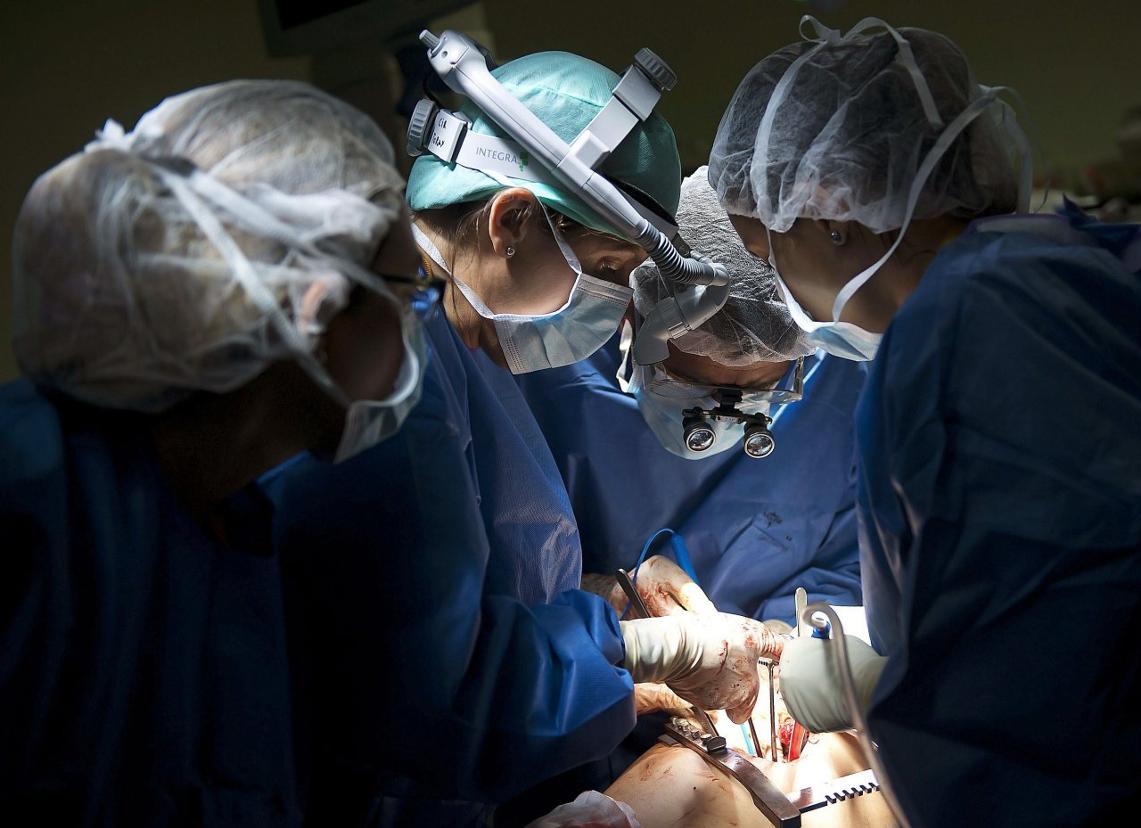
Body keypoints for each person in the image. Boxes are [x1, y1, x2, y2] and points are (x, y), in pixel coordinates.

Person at [709, 16, 1141, 827]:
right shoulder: (1132, 262)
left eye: (766, 250)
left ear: (829, 213)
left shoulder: (957, 330)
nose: (776, 285)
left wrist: (881, 686)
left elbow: (1035, 671)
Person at [266, 50, 782, 826]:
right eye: (608, 267)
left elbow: (463, 596)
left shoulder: (458, 352)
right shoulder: (393, 370)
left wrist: (608, 603)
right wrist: (648, 653)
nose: (614, 305)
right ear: (510, 221)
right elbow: (432, 687)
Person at [0, 80, 424, 825]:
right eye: (405, 292)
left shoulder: (229, 526)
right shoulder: (28, 498)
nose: (415, 325)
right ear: (315, 303)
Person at [519, 167, 865, 623]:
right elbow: (492, 567)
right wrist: (604, 599)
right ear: (633, 318)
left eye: (760, 392)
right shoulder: (548, 363)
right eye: (690, 389)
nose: (722, 418)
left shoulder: (841, 390)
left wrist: (787, 643)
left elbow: (848, 563)